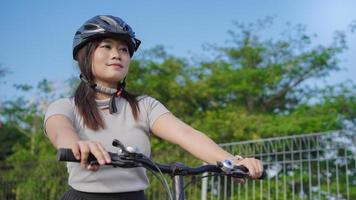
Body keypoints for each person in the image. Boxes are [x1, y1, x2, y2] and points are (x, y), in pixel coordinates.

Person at [44, 15, 264, 200]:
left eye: (123, 49)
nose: (117, 54)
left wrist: (234, 161)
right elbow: (61, 131)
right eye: (106, 47)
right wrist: (79, 147)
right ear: (85, 56)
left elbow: (185, 133)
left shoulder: (144, 106)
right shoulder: (66, 106)